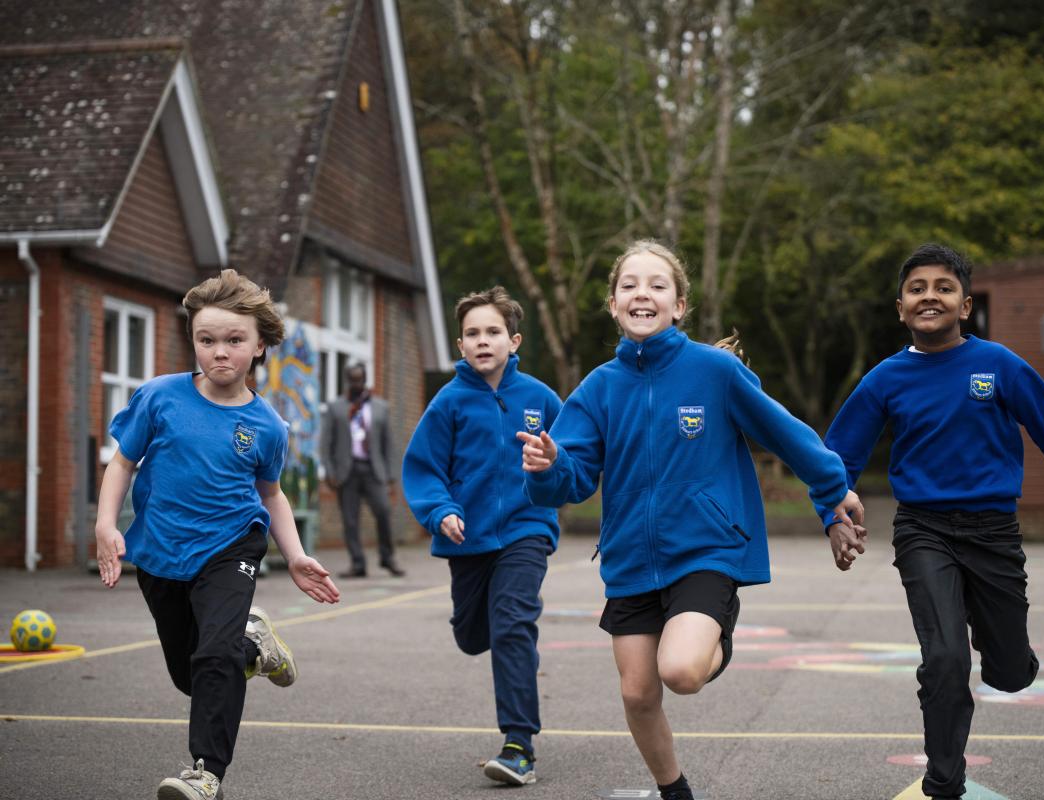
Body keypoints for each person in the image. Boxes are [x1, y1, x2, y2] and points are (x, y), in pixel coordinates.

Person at [518, 241, 864, 800]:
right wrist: (547, 465)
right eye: (629, 285)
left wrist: (832, 495)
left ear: (679, 305)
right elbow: (571, 481)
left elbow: (786, 434)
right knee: (638, 695)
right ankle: (675, 791)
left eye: (657, 285)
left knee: (680, 671)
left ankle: (715, 632)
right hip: (631, 559)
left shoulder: (716, 371)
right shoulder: (599, 388)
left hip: (707, 550)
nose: (642, 294)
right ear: (613, 304)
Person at [813, 243, 1044, 800]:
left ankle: (996, 637)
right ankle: (944, 782)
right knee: (946, 659)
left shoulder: (1000, 365)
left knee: (1010, 673)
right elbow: (836, 456)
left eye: (943, 287)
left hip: (993, 532)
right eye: (917, 289)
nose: (930, 296)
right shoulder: (886, 378)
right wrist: (832, 512)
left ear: (966, 305)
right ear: (901, 308)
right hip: (923, 530)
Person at [94, 268, 341, 800]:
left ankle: (205, 774)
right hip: (161, 550)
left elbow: (271, 495)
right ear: (193, 340)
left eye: (234, 340)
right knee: (192, 675)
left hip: (231, 545)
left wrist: (295, 555)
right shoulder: (159, 397)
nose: (220, 352)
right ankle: (254, 646)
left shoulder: (268, 426)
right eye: (206, 340)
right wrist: (105, 523)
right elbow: (122, 463)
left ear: (259, 346)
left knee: (213, 658)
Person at [402, 286, 562, 786]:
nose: (483, 340)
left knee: (512, 622)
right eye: (472, 333)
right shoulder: (448, 403)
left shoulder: (540, 398)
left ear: (514, 341)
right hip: (467, 538)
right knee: (473, 636)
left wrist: (556, 465)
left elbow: (574, 452)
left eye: (493, 332)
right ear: (460, 344)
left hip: (527, 528)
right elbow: (424, 469)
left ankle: (519, 746)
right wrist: (441, 511)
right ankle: (492, 634)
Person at [320, 361, 404, 578]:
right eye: (352, 379)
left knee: (383, 511)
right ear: (347, 380)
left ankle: (387, 558)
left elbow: (388, 443)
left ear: (365, 379)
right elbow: (326, 443)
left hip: (373, 470)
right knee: (350, 520)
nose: (356, 384)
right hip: (346, 472)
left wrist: (391, 474)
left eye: (359, 379)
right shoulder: (335, 408)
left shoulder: (380, 407)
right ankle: (358, 564)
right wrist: (329, 471)